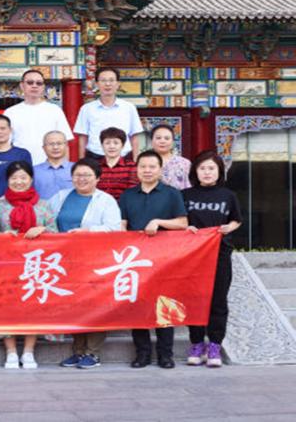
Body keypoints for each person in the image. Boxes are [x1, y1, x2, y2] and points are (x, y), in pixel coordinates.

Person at [49, 158, 122, 370]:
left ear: (97, 178)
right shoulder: (61, 196)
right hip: (66, 260)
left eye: (87, 175)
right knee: (74, 304)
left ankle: (93, 352)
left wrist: (88, 232)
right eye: (77, 175)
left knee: (94, 304)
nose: (81, 179)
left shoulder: (106, 200)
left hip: (95, 259)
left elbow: (114, 228)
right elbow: (47, 220)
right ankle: (78, 350)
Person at [118, 150, 189, 369]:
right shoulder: (127, 195)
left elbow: (183, 223)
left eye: (152, 167)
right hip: (136, 259)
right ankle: (142, 354)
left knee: (164, 305)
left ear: (160, 169)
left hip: (164, 259)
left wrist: (159, 222)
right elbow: (122, 224)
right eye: (143, 167)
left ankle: (165, 355)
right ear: (137, 170)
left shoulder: (172, 194)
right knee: (138, 306)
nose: (147, 171)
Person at [0, 161, 58, 370]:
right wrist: (2, 234)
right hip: (6, 263)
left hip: (35, 264)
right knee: (5, 306)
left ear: (31, 179)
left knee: (33, 305)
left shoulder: (43, 205)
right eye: (14, 178)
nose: (19, 182)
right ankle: (11, 351)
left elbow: (56, 233)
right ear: (7, 180)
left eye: (23, 178)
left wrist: (42, 230)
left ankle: (29, 351)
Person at [183, 151, 242, 369]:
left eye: (211, 168)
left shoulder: (228, 195)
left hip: (220, 255)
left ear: (219, 172)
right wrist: (186, 227)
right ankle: (197, 344)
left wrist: (229, 227)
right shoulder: (184, 195)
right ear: (195, 172)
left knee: (218, 300)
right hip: (192, 257)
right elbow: (179, 220)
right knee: (193, 299)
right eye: (202, 168)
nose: (206, 172)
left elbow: (237, 219)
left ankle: (215, 344)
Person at [4, 69, 73, 164]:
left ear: (43, 87)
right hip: (20, 166)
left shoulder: (54, 110)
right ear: (22, 86)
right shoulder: (10, 112)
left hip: (49, 165)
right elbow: (5, 144)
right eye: (30, 82)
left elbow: (64, 143)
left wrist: (65, 169)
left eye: (39, 83)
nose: (34, 86)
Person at [73, 67, 143, 159]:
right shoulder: (87, 109)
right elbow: (83, 137)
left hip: (124, 157)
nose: (108, 84)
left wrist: (136, 160)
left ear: (118, 84)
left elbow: (134, 136)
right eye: (103, 80)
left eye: (111, 80)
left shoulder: (129, 107)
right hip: (95, 157)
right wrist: (82, 161)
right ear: (97, 84)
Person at [96, 127, 138, 200]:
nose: (112, 146)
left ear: (122, 145)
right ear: (102, 145)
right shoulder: (95, 166)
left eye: (116, 143)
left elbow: (132, 192)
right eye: (107, 143)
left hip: (123, 205)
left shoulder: (132, 166)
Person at [33, 131, 74, 200]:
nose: (55, 147)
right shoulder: (34, 171)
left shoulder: (76, 169)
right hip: (42, 207)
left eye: (59, 143)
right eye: (51, 144)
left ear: (66, 146)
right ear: (44, 148)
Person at [151, 124, 192, 190]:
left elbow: (189, 187)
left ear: (173, 142)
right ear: (151, 141)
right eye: (158, 138)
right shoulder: (144, 162)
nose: (162, 141)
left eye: (167, 138)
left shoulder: (184, 163)